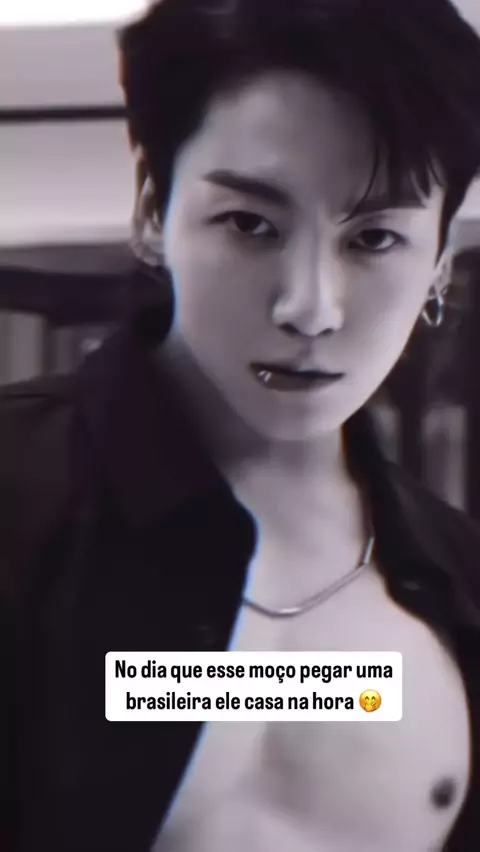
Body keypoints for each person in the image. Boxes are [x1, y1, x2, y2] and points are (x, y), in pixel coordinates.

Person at [2, 0, 480, 850]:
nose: (310, 308)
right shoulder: (17, 494)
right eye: (251, 224)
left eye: (375, 239)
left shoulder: (461, 581)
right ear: (153, 210)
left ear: (440, 260)